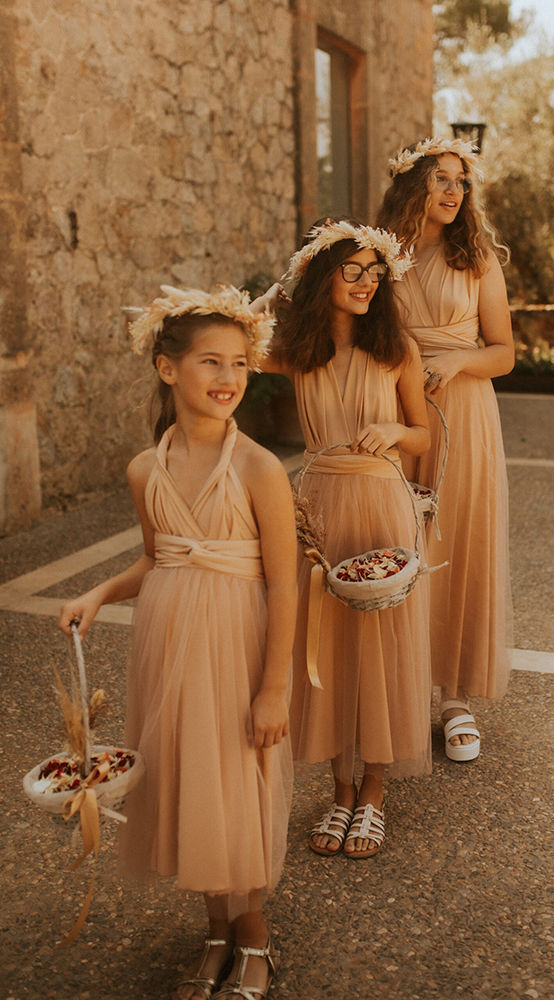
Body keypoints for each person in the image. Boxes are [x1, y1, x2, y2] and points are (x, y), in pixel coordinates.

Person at [57, 285, 297, 1000]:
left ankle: (253, 938)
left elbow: (285, 585)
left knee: (235, 781)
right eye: (210, 363)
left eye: (239, 364)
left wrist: (274, 686)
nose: (228, 379)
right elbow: (160, 556)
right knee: (194, 779)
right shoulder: (144, 469)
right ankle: (215, 930)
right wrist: (99, 593)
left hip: (235, 641)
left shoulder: (256, 467)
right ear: (168, 369)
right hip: (168, 641)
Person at [254, 218, 432, 859]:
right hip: (319, 503)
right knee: (325, 646)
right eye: (350, 270)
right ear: (322, 275)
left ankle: (375, 794)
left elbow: (425, 434)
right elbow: (242, 337)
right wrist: (287, 279)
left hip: (382, 498)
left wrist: (395, 433)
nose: (364, 283)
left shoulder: (396, 348)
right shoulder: (297, 351)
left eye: (374, 272)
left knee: (380, 642)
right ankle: (337, 792)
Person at [376, 137, 514, 762]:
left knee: (456, 539)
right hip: (394, 408)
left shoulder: (478, 259)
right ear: (413, 188)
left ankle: (454, 695)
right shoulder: (382, 256)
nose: (455, 191)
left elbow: (505, 353)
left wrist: (459, 359)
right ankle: (399, 686)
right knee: (399, 535)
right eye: (441, 180)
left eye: (461, 180)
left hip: (462, 410)